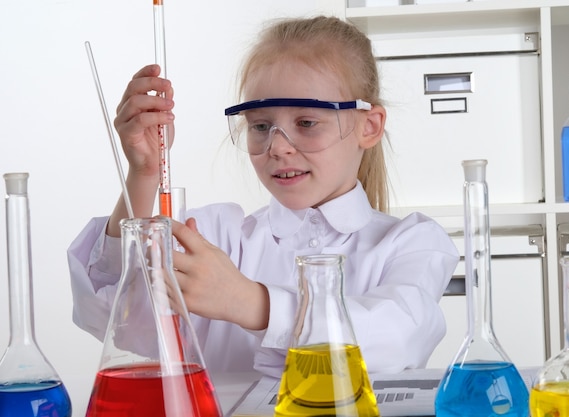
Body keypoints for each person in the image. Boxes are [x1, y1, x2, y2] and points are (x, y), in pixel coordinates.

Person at [68, 15, 459, 378]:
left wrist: (251, 303)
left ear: (369, 127)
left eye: (306, 123)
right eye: (260, 125)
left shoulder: (411, 242)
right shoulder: (216, 237)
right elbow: (113, 318)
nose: (278, 146)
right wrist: (144, 174)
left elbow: (399, 335)